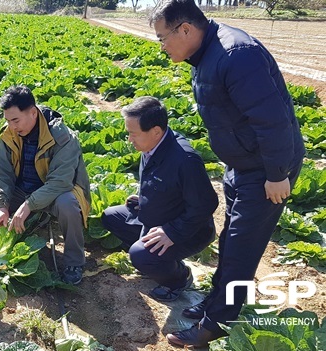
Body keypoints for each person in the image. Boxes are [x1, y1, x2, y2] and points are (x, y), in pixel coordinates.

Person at [149, 0, 306, 346]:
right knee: (231, 240)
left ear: (185, 29)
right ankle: (216, 303)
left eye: (162, 38)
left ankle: (216, 324)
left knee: (240, 247)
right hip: (243, 164)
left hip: (267, 168)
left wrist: (277, 173)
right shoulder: (205, 54)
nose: (161, 46)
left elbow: (272, 119)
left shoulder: (236, 54)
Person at [0, 85, 91, 285]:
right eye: (8, 120)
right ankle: (30, 221)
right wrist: (1, 206)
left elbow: (60, 182)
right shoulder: (8, 135)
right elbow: (2, 174)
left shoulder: (62, 137)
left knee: (68, 205)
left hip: (55, 194)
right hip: (23, 192)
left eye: (16, 120)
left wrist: (27, 206)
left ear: (33, 113)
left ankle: (74, 262)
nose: (12, 126)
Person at [102, 96, 218, 302]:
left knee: (139, 255)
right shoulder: (151, 145)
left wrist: (172, 232)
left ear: (156, 131)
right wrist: (145, 198)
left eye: (133, 134)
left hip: (189, 230)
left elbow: (206, 205)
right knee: (111, 217)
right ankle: (153, 260)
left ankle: (178, 278)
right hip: (156, 215)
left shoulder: (185, 160)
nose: (130, 139)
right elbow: (164, 184)